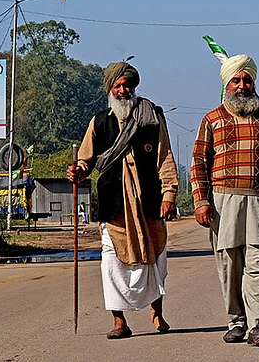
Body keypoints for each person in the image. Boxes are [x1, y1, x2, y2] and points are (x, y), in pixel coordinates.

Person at [191, 54, 259, 347]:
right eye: (236, 80)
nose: (242, 85)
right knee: (229, 263)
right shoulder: (212, 119)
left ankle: (257, 326)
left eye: (247, 80)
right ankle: (236, 321)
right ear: (227, 84)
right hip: (223, 201)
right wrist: (201, 202)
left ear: (254, 82)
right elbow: (199, 162)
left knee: (258, 263)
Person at [67, 62, 178, 339]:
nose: (122, 90)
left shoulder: (152, 117)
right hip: (114, 206)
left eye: (126, 85)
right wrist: (78, 171)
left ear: (134, 87)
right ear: (110, 90)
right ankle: (119, 321)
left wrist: (169, 194)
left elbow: (164, 157)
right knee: (111, 263)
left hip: (149, 202)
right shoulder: (99, 121)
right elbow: (86, 159)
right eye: (117, 86)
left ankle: (157, 313)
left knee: (155, 259)